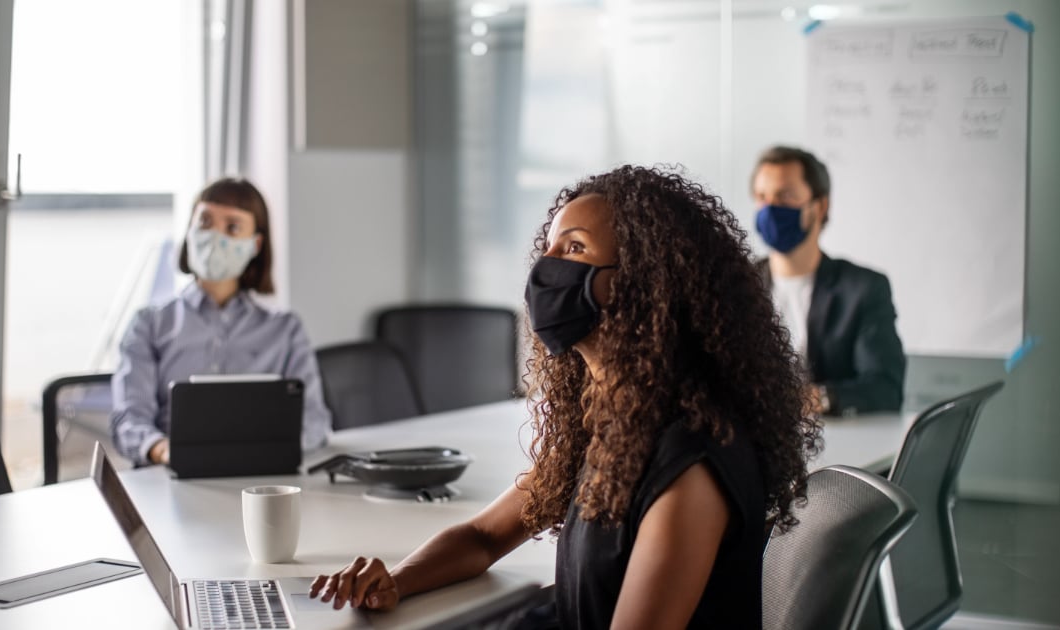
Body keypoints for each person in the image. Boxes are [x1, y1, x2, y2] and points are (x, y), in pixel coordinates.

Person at [309, 166, 821, 628]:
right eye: (549, 251)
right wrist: (396, 581)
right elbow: (484, 537)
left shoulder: (694, 462)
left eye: (574, 249)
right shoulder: (612, 422)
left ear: (645, 284)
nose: (546, 271)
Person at [110, 177, 332, 466]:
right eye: (205, 222)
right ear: (189, 230)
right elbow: (129, 419)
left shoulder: (285, 329)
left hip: (262, 478)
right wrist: (164, 449)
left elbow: (314, 421)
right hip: (169, 476)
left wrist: (256, 450)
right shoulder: (149, 324)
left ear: (256, 244)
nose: (215, 235)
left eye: (233, 227)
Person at [751, 145, 906, 416]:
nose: (771, 209)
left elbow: (885, 387)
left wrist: (814, 399)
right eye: (762, 197)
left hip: (831, 443)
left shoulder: (863, 288)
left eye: (785, 196)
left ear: (820, 206)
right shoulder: (737, 285)